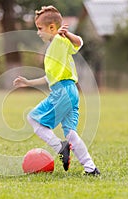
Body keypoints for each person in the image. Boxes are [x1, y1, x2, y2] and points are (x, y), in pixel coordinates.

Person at [13, 5, 100, 175]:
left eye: (40, 28)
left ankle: (60, 147)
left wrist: (66, 33)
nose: (38, 32)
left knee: (33, 118)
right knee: (71, 133)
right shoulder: (53, 47)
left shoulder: (59, 41)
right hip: (70, 91)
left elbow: (79, 42)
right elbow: (50, 78)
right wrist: (28, 82)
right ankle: (91, 169)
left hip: (63, 92)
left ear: (52, 27)